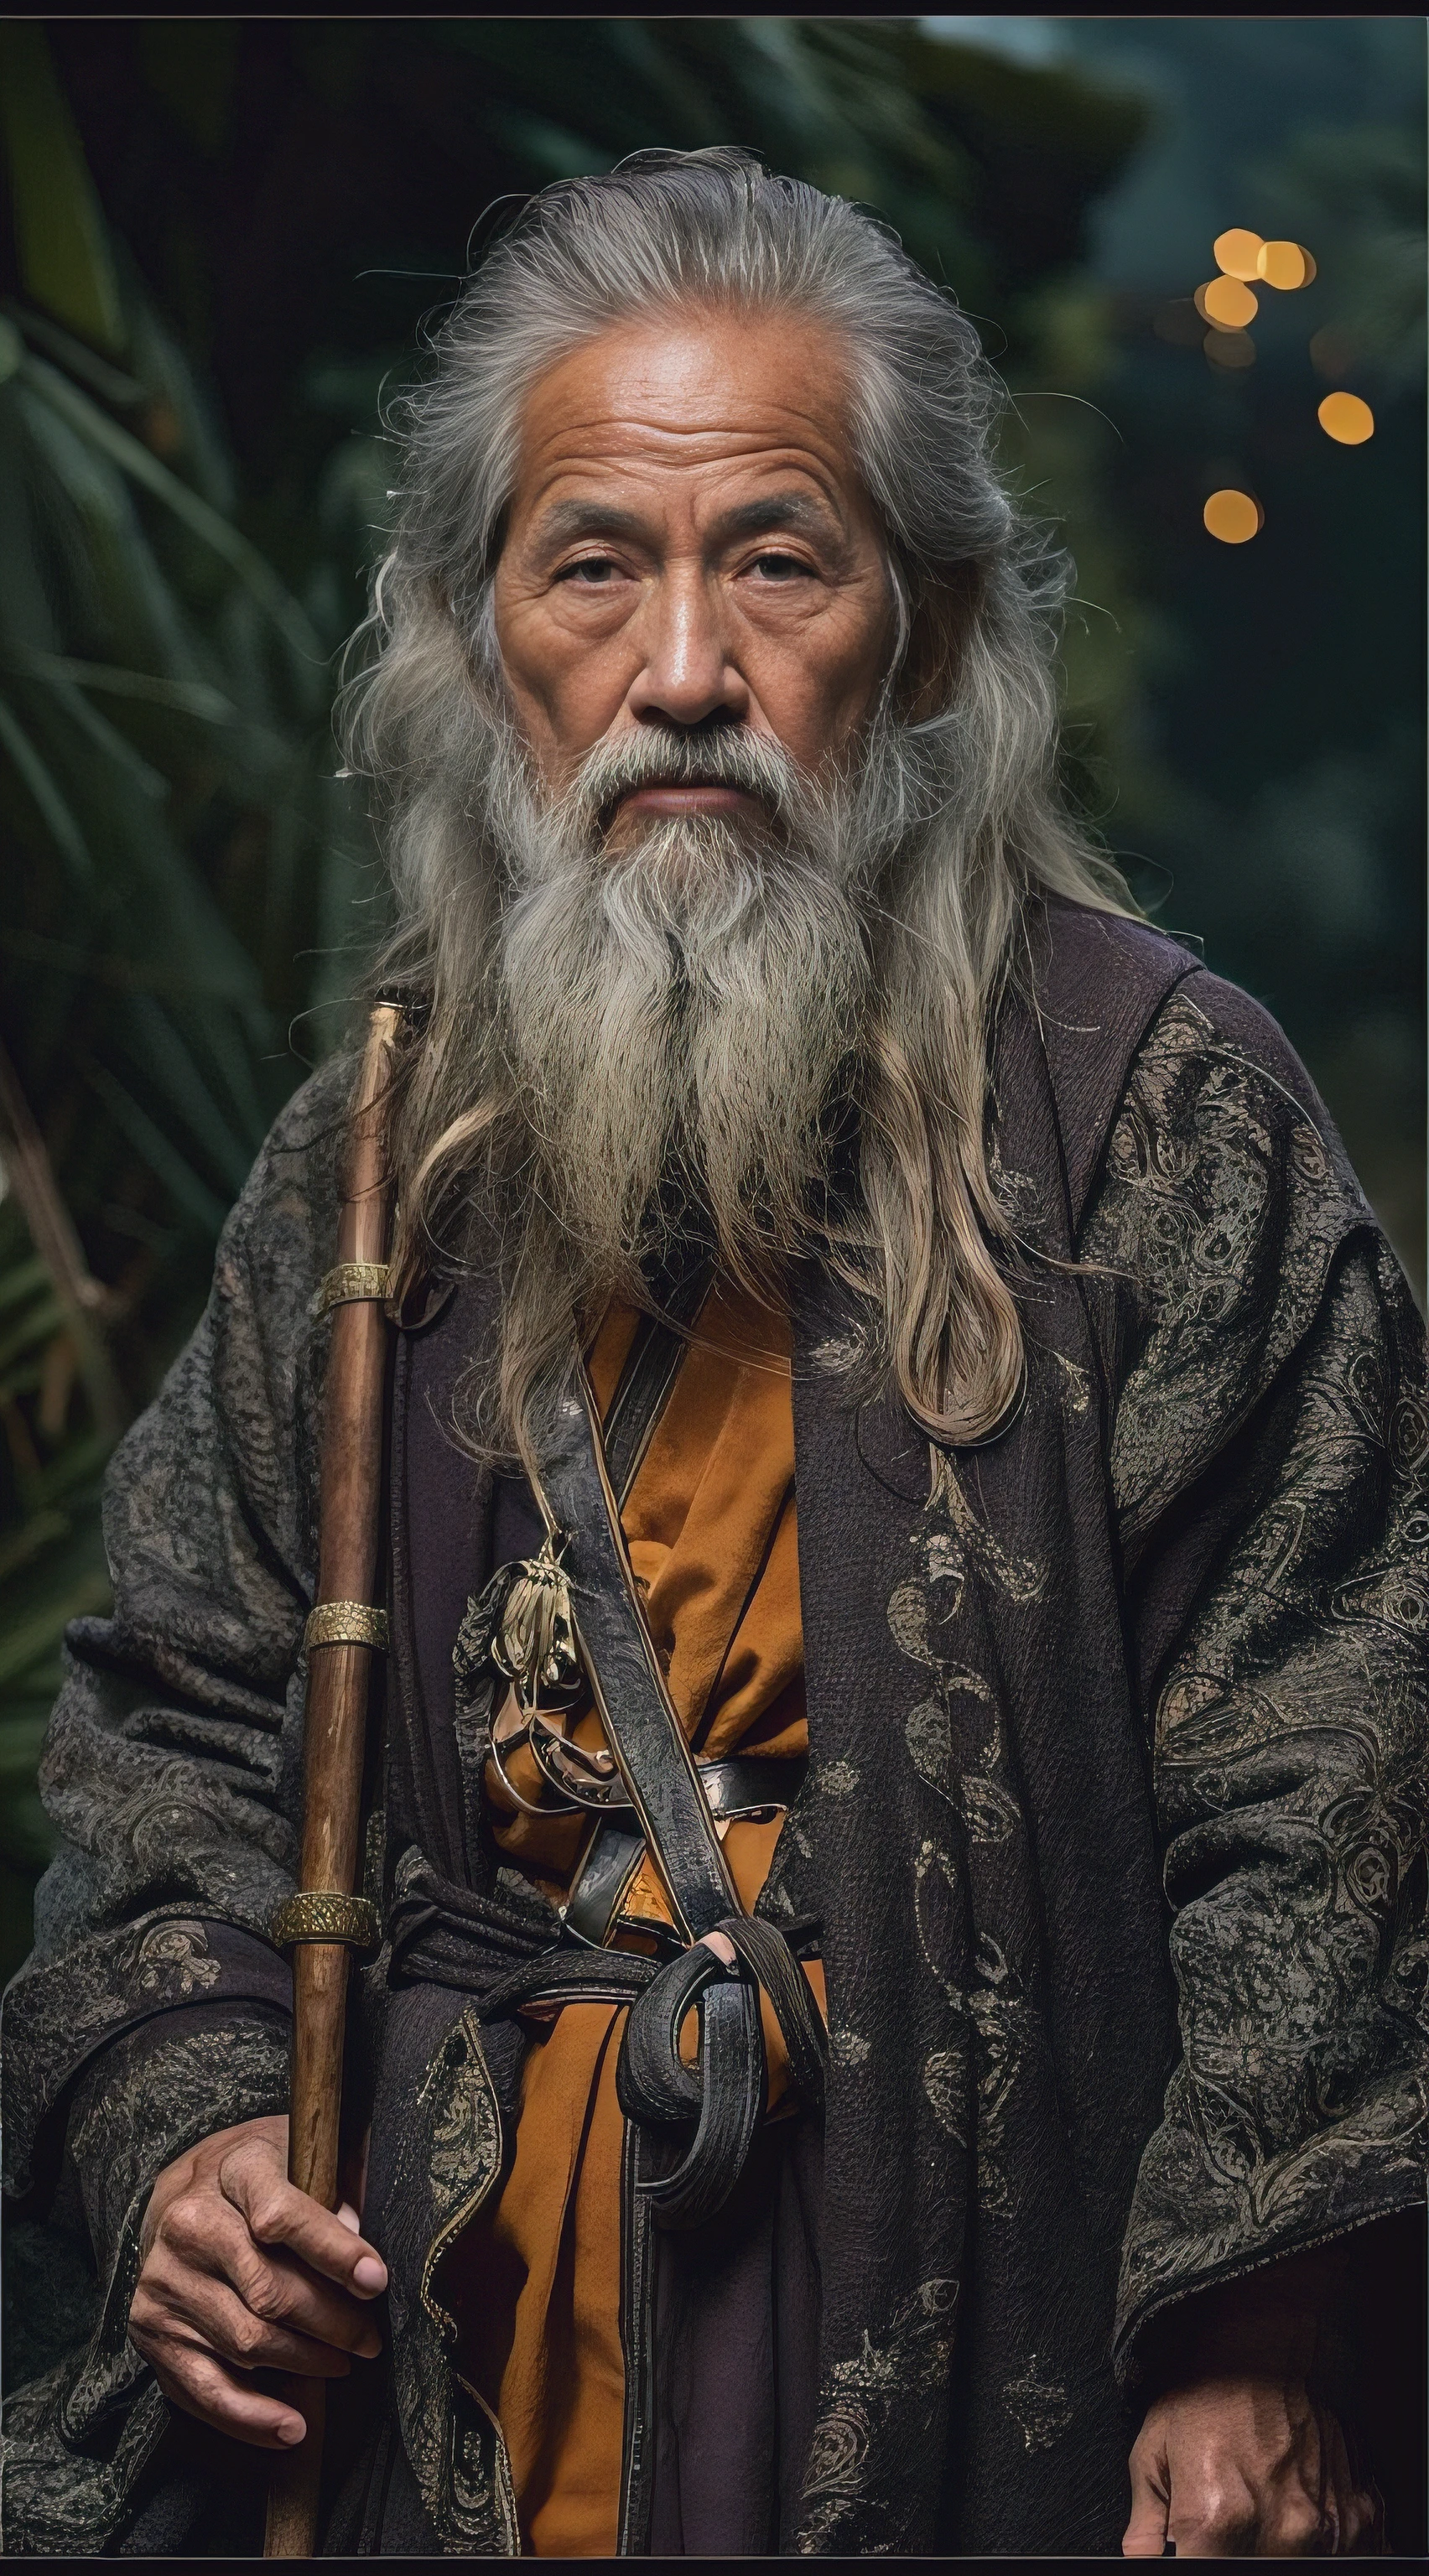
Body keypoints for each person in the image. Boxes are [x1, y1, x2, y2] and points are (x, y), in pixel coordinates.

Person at [4, 149, 1424, 2561]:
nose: (684, 670)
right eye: (596, 569)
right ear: (484, 652)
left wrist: (1251, 2342)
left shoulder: (1164, 1119)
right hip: (447, 2337)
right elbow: (178, 1732)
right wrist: (205, 2137)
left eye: (776, 558)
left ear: (934, 636)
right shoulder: (377, 1157)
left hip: (987, 2303)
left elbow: (1337, 1748)